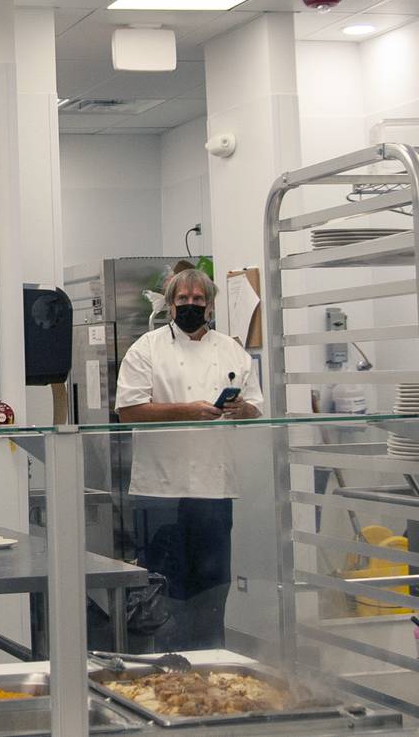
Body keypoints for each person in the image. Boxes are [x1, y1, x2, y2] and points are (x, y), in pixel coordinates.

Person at [114, 267, 261, 650]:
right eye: (183, 300)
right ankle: (162, 667)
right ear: (169, 305)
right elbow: (128, 411)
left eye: (199, 300)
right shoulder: (146, 348)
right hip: (160, 490)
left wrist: (242, 409)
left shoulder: (231, 350)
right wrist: (187, 411)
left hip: (215, 490)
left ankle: (212, 665)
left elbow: (258, 411)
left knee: (213, 587)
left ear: (210, 306)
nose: (191, 306)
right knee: (163, 590)